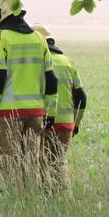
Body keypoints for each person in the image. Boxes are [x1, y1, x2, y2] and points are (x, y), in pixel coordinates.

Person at [0, 0, 58, 182]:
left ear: (1, 14)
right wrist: (50, 112)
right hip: (36, 114)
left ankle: (12, 207)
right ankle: (31, 205)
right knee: (31, 166)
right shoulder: (39, 38)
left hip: (7, 116)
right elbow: (51, 80)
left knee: (8, 169)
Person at [33, 23, 86, 188]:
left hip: (45, 121)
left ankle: (47, 199)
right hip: (67, 123)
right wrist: (76, 124)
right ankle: (63, 198)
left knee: (42, 163)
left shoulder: (37, 63)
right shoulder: (68, 62)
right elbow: (82, 97)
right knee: (58, 162)